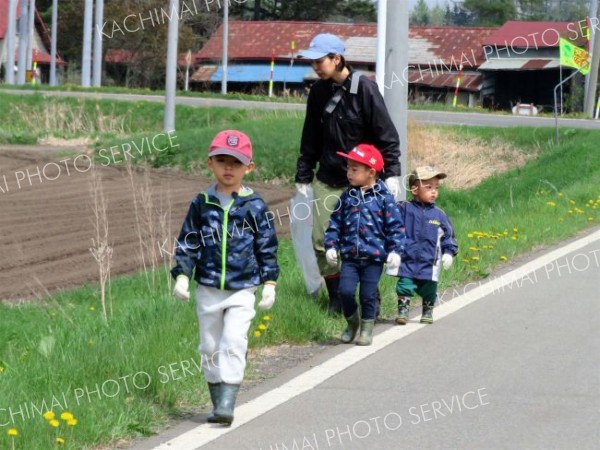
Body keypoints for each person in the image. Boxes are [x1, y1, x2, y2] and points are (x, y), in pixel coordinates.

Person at [171, 130, 279, 426]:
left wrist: (270, 282)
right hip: (207, 287)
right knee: (209, 346)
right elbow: (188, 241)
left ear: (249, 167)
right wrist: (182, 274)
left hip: (243, 287)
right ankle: (217, 399)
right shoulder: (202, 203)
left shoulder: (255, 206)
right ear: (210, 164)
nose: (228, 168)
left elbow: (266, 245)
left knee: (233, 340)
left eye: (236, 162)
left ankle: (228, 403)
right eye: (222, 161)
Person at [295, 33, 402, 315]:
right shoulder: (318, 92)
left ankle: (370, 300)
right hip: (328, 177)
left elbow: (386, 134)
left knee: (365, 243)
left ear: (337, 59)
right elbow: (311, 136)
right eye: (313, 62)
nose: (316, 67)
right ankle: (336, 299)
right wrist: (303, 174)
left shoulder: (365, 89)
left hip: (363, 181)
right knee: (321, 241)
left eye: (320, 61)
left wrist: (391, 173)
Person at [324, 144, 404, 346]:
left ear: (371, 172)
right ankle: (352, 323)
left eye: (354, 169)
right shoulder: (347, 197)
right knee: (345, 291)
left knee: (368, 294)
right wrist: (331, 246)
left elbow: (395, 226)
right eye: (348, 168)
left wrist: (395, 251)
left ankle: (366, 330)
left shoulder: (384, 198)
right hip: (350, 257)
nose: (348, 173)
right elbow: (335, 223)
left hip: (373, 258)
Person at [393, 167, 458, 325]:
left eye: (436, 187)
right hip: (406, 259)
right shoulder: (404, 208)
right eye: (429, 187)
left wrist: (449, 252)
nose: (434, 191)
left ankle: (427, 310)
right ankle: (403, 310)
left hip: (430, 262)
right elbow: (391, 222)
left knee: (429, 289)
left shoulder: (439, 214)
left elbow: (448, 235)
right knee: (404, 285)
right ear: (414, 189)